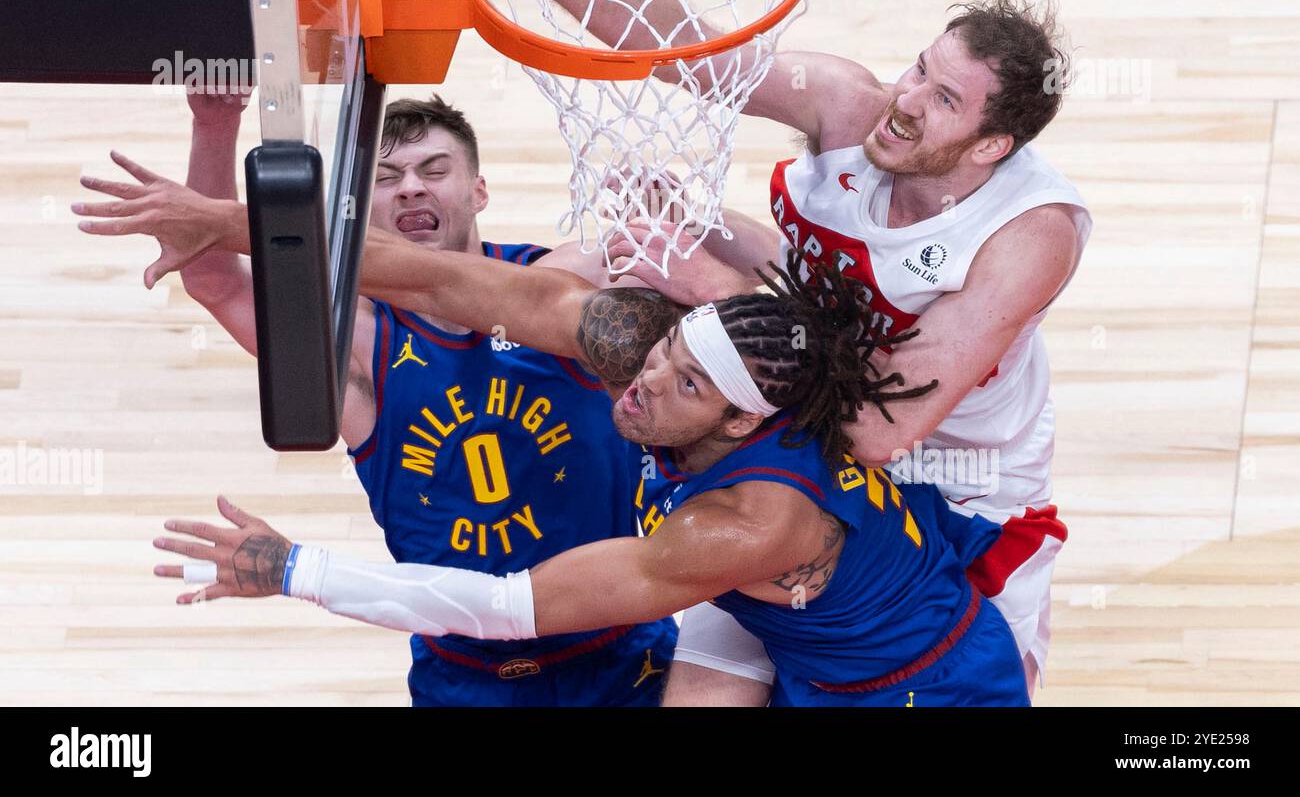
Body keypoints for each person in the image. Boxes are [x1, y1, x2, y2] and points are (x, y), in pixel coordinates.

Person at [441, 0, 1092, 696]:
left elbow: (875, 427)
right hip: (790, 451)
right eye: (918, 69)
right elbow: (687, 49)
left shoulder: (1028, 236)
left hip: (954, 488)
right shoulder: (849, 105)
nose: (906, 99)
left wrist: (717, 289)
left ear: (990, 147)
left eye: (944, 98)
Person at [141, 222, 1029, 707]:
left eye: (682, 381)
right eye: (664, 349)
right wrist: (236, 223)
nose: (644, 381)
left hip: (924, 684)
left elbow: (505, 606)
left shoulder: (746, 522)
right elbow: (448, 281)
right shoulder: (661, 362)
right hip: (815, 648)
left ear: (735, 418)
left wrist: (295, 567)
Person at [84, 90, 676, 707]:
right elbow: (214, 279)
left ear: (478, 191)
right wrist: (216, 121)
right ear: (360, 214)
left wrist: (676, 212)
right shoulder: (355, 339)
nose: (412, 189)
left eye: (435, 170)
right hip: (465, 673)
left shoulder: (565, 287)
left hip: (622, 651)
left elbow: (701, 275)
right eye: (388, 178)